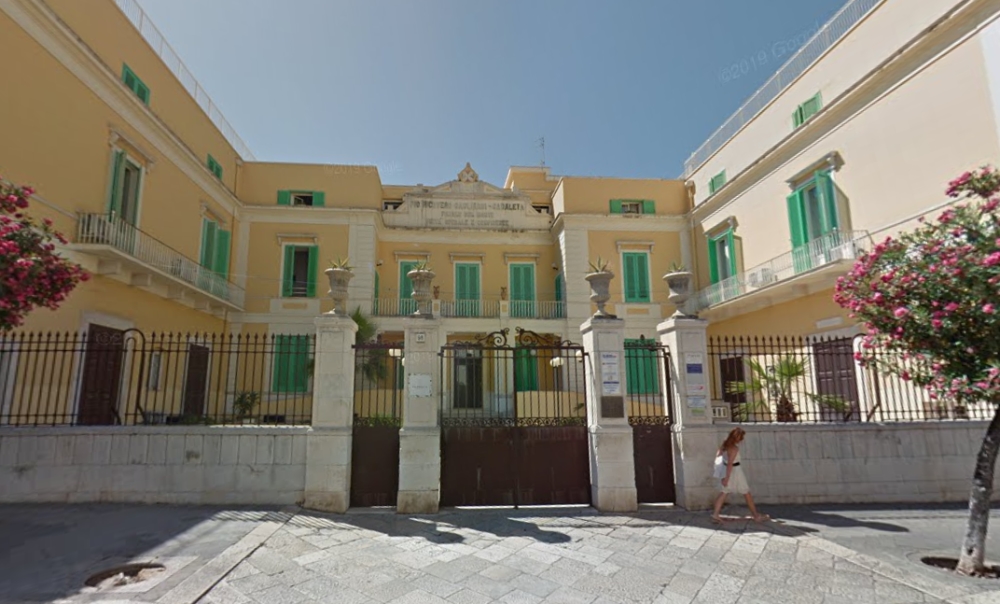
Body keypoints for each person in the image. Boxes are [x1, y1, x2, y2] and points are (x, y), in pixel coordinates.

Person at [711, 427, 769, 523]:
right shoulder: (734, 448)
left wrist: (722, 472)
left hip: (726, 470)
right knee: (746, 492)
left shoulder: (725, 444)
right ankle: (756, 516)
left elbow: (718, 455)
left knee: (724, 492)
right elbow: (730, 464)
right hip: (735, 471)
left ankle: (715, 514)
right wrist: (726, 478)